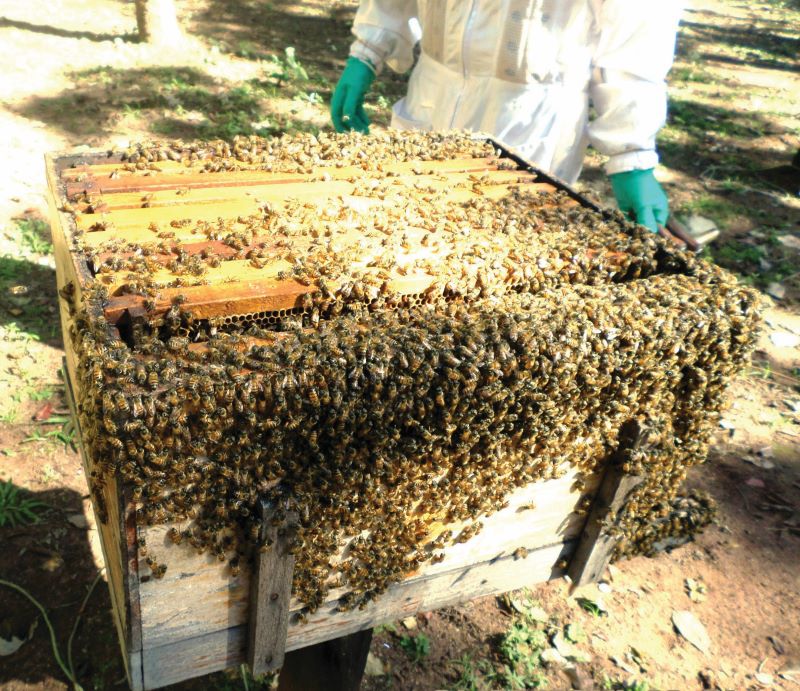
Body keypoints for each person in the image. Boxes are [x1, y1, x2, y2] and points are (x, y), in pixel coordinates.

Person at [330, 1, 684, 233]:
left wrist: (631, 153)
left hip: (529, 122)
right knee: (401, 235)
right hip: (430, 97)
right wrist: (368, 50)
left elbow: (637, 33)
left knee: (503, 266)